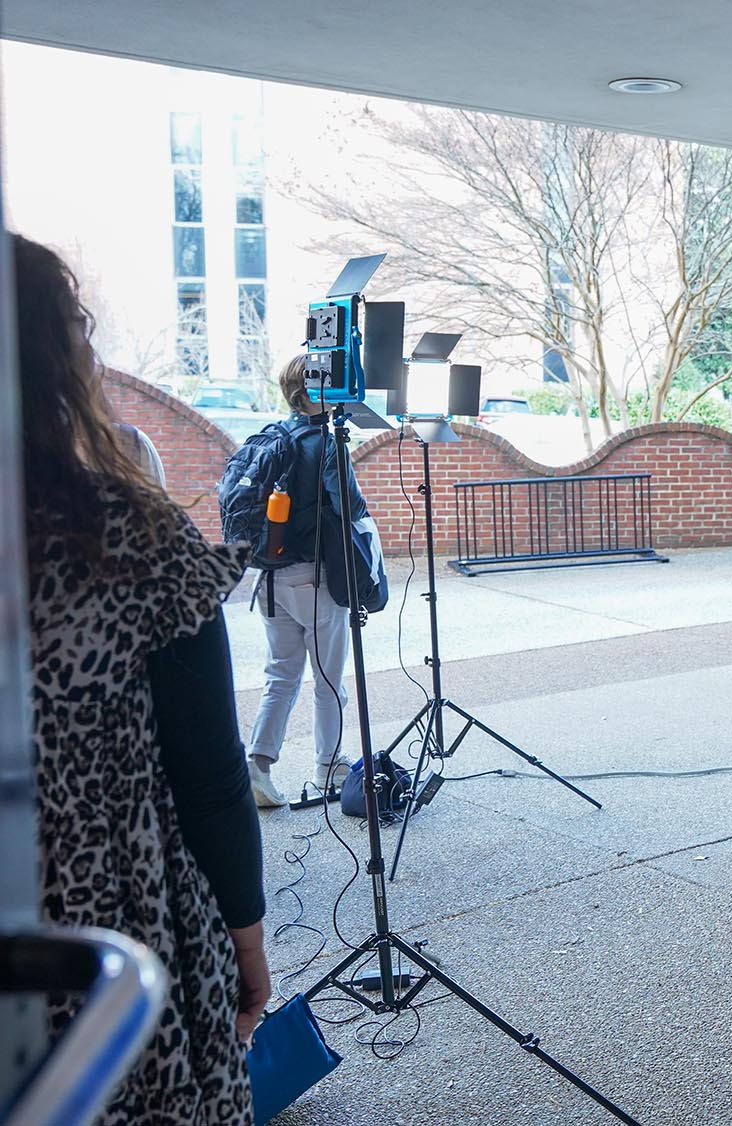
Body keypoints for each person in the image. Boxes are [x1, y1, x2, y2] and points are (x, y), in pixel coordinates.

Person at [16, 232, 267, 1122]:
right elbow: (209, 775)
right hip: (117, 919)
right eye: (78, 321)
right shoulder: (129, 537)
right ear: (53, 352)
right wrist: (249, 941)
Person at [243, 354, 360, 807]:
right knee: (328, 678)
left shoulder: (271, 438)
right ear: (320, 390)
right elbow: (347, 507)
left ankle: (258, 766)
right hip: (314, 579)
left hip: (270, 580)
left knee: (281, 676)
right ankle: (330, 766)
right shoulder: (325, 442)